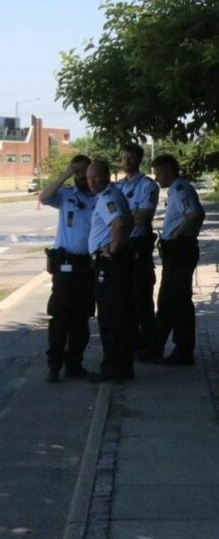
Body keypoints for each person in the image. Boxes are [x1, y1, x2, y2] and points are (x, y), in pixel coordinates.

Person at [139, 154, 205, 366]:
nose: (157, 178)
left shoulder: (179, 189)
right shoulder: (179, 189)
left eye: (158, 174)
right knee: (173, 301)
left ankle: (179, 350)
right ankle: (158, 348)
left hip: (179, 251)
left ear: (168, 172)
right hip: (177, 252)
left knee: (175, 301)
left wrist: (178, 235)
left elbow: (194, 214)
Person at [39, 155, 96, 382]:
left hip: (88, 265)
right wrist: (66, 173)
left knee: (81, 319)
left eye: (85, 172)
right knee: (60, 317)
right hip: (65, 265)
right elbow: (44, 197)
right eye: (78, 173)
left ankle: (75, 364)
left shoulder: (99, 197)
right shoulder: (66, 196)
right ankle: (54, 366)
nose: (82, 177)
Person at [87, 159, 136, 382]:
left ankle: (113, 369)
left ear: (107, 175)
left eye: (96, 176)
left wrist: (113, 252)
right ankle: (122, 367)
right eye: (89, 178)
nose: (92, 181)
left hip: (110, 265)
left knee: (110, 318)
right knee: (119, 315)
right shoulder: (111, 195)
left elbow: (118, 223)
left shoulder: (108, 197)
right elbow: (128, 222)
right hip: (118, 262)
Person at [115, 143, 160, 346]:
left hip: (138, 246)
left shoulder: (147, 185)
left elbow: (143, 217)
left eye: (130, 158)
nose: (126, 162)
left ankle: (148, 343)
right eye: (123, 158)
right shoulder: (117, 186)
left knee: (142, 297)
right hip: (121, 246)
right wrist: (129, 215)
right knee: (123, 299)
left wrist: (120, 217)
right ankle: (131, 342)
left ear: (139, 159)